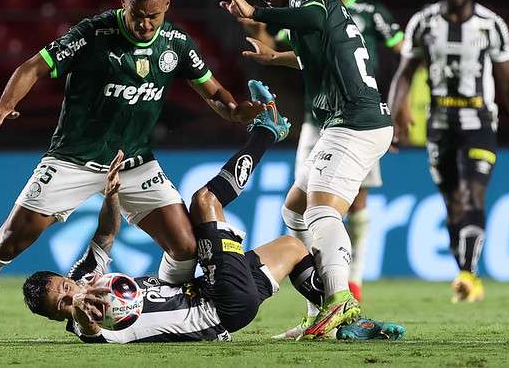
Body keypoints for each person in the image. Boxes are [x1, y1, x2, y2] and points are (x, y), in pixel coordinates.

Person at [0, 0, 265, 343]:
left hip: (134, 163)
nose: (145, 25)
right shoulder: (93, 35)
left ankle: (172, 312)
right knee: (10, 241)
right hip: (72, 160)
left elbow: (216, 95)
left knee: (185, 248)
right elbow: (34, 66)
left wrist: (238, 111)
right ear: (123, 4)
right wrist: (5, 103)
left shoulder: (177, 44)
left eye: (154, 16)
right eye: (137, 15)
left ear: (167, 6)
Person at [23, 81, 405, 343]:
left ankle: (345, 323)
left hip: (213, 298)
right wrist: (86, 321)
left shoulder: (85, 279)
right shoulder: (94, 323)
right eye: (63, 304)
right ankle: (266, 133)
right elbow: (94, 332)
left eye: (67, 288)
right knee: (206, 201)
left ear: (66, 278)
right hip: (218, 304)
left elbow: (105, 237)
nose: (74, 297)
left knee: (294, 247)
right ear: (59, 318)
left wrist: (111, 198)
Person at [214, 0, 393, 339]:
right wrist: (274, 57)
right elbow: (318, 49)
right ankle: (320, 310)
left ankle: (340, 303)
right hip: (346, 121)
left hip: (355, 120)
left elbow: (311, 22)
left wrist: (254, 11)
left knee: (320, 212)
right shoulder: (310, 2)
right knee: (295, 210)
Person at [388, 0, 509, 302]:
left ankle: (467, 275)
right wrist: (393, 120)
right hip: (439, 125)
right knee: (452, 203)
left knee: (472, 195)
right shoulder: (423, 22)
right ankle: (468, 274)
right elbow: (404, 74)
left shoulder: (491, 24)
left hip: (479, 121)